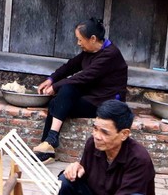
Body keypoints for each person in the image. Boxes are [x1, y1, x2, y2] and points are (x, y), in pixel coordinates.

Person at [33, 17, 128, 161]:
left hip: (105, 103)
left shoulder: (110, 55)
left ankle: (48, 146)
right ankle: (49, 142)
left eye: (80, 39)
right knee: (60, 98)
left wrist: (55, 86)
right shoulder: (90, 51)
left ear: (93, 38)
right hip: (91, 95)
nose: (78, 43)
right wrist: (51, 79)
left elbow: (84, 76)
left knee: (58, 101)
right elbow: (71, 66)